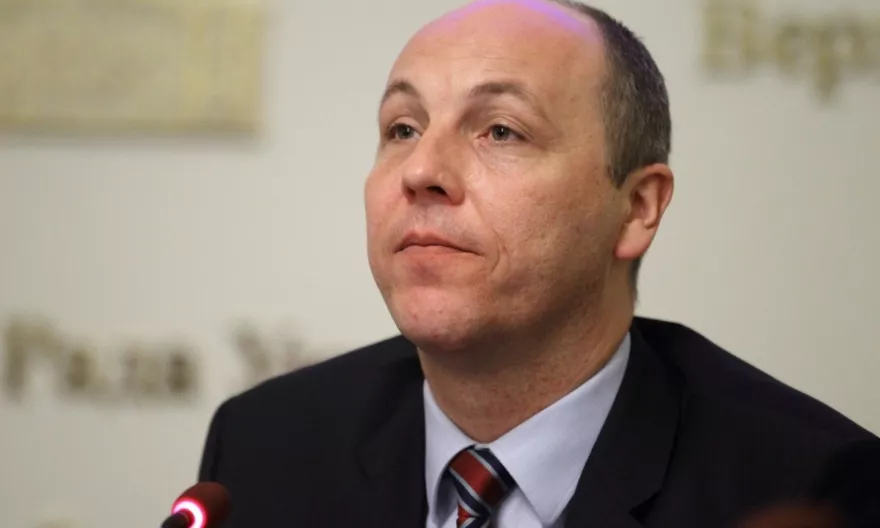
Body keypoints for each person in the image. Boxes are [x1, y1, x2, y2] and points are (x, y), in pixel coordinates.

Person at [195, 1, 880, 526]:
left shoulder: (805, 489)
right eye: (403, 128)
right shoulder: (264, 447)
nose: (422, 170)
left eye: (501, 130)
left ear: (637, 207)